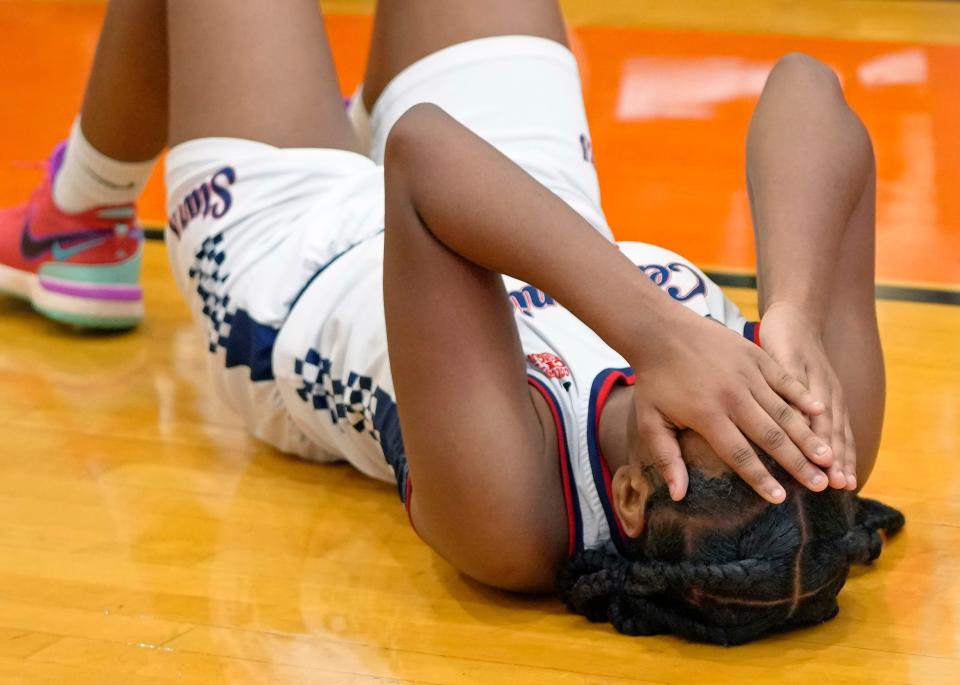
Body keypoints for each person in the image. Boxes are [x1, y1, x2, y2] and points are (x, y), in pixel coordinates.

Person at [0, 0, 901, 644]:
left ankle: (78, 215)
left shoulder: (507, 517)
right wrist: (793, 311)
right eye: (776, 407)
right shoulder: (823, 441)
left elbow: (424, 154)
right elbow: (808, 86)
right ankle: (316, 108)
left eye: (733, 421)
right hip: (521, 198)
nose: (750, 390)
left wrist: (661, 334)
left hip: (299, 264)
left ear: (629, 493)